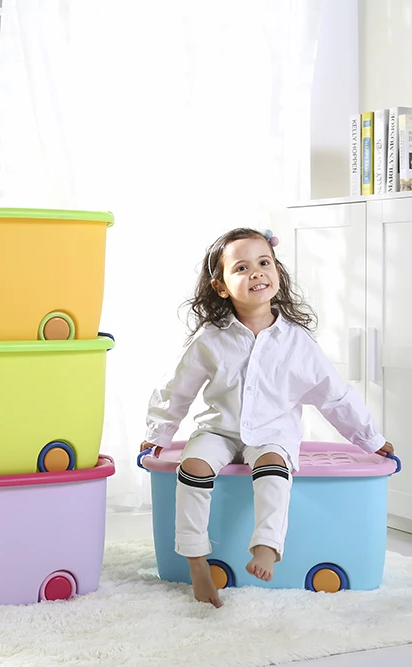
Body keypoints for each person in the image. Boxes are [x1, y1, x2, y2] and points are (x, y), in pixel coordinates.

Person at [140, 227, 394, 608]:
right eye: (241, 268)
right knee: (192, 467)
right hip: (218, 430)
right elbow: (177, 387)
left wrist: (370, 438)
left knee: (274, 467)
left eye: (264, 262)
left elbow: (334, 395)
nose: (256, 272)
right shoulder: (211, 337)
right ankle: (196, 560)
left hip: (272, 434)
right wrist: (159, 432)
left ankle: (267, 546)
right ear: (221, 287)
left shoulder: (296, 341)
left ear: (276, 271)